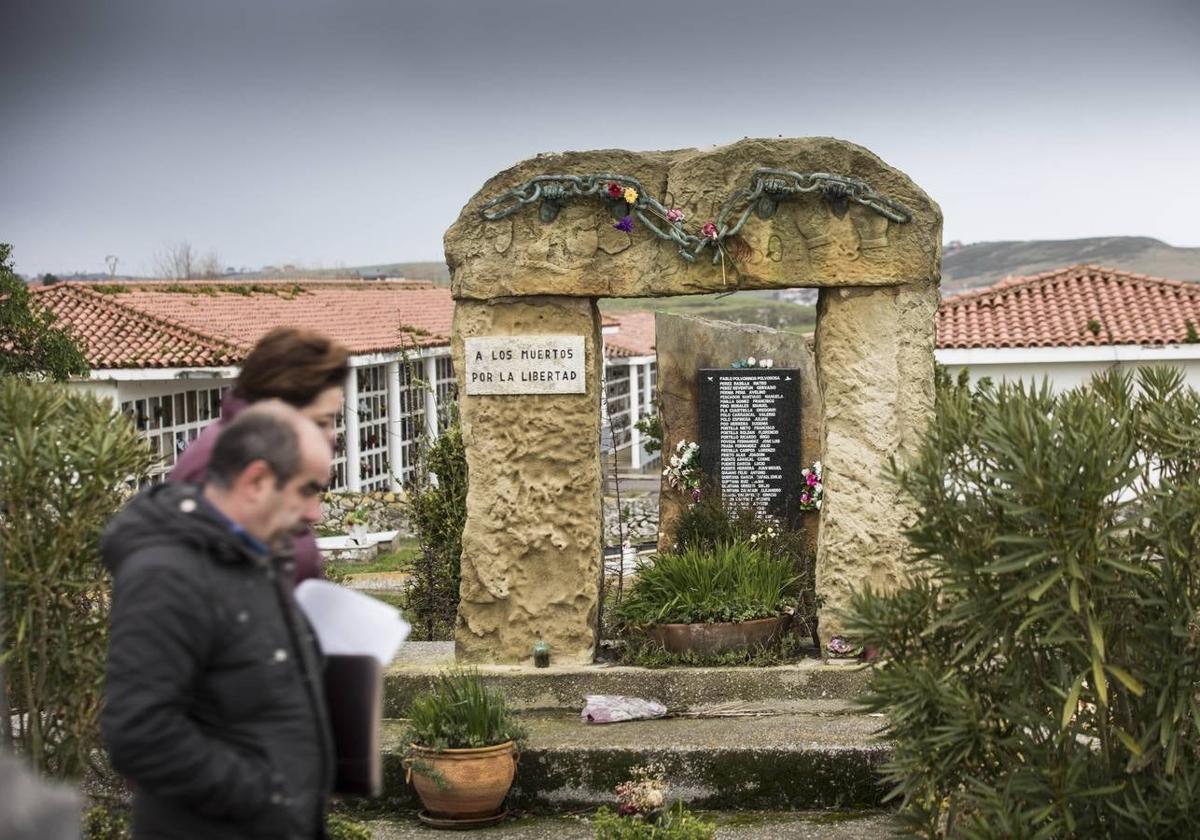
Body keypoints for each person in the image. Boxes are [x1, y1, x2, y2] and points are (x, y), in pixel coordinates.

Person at [102, 402, 336, 840]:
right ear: (257, 480)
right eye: (308, 490)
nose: (314, 513)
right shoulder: (165, 576)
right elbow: (140, 733)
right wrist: (266, 797)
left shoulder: (252, 554)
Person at [172, 327, 350, 583]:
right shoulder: (218, 466)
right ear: (281, 407)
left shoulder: (260, 448)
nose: (332, 436)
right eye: (322, 422)